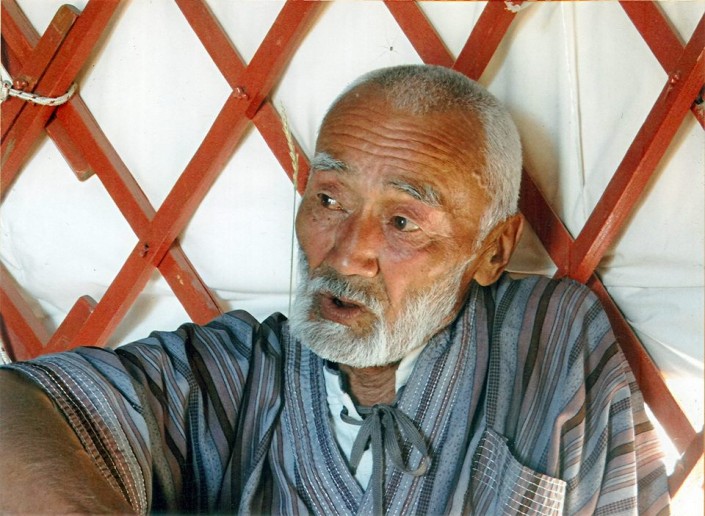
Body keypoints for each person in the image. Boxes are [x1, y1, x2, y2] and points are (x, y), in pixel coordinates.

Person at [0, 65, 670, 515]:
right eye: (328, 199)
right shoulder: (241, 375)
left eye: (402, 222)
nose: (346, 253)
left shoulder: (547, 340)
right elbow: (20, 405)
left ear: (492, 251)